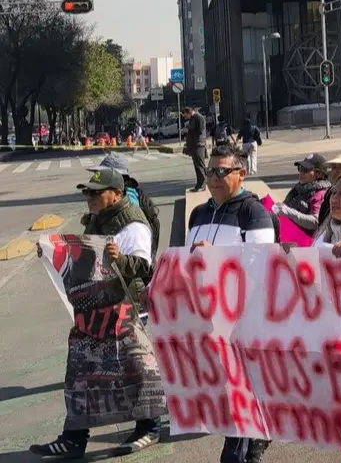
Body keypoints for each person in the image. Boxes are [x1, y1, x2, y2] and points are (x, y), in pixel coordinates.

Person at [30, 169, 161, 459]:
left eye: (94, 193)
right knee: (82, 370)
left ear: (115, 194)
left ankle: (149, 426)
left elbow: (144, 267)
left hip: (127, 308)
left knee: (136, 368)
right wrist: (53, 255)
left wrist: (121, 259)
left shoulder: (133, 223)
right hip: (98, 307)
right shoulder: (98, 220)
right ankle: (74, 436)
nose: (88, 197)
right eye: (86, 192)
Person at [183, 144, 276, 463]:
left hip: (242, 323)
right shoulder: (199, 213)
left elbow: (262, 267)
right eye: (210, 171)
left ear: (241, 174)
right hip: (207, 323)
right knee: (226, 398)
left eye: (222, 171)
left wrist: (217, 258)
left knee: (239, 396)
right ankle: (255, 441)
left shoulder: (254, 213)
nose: (213, 177)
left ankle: (241, 452)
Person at [87, 154, 161, 256]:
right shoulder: (122, 196)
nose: (97, 177)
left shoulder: (130, 202)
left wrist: (119, 258)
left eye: (102, 174)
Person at [271, 153, 332, 236]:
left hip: (304, 241)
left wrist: (290, 212)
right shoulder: (299, 189)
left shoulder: (320, 194)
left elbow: (315, 222)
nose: (301, 172)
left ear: (318, 174)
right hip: (288, 233)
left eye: (306, 170)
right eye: (300, 168)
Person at [182, 106, 206, 192]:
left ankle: (203, 184)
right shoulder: (192, 119)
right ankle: (199, 184)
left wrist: (190, 128)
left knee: (200, 165)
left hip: (199, 144)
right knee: (196, 165)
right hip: (194, 145)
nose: (185, 118)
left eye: (185, 115)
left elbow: (200, 130)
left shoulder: (199, 118)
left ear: (189, 112)